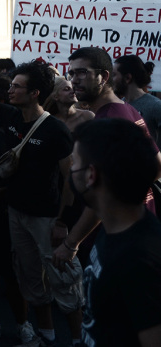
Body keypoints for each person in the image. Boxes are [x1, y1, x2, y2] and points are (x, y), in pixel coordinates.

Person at [0, 61, 81, 347]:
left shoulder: (55, 130)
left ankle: (78, 340)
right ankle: (47, 336)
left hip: (47, 218)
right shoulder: (10, 115)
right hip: (17, 214)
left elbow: (70, 180)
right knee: (32, 280)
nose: (10, 90)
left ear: (35, 93)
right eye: (10, 85)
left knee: (64, 282)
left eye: (16, 86)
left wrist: (62, 222)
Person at [53, 46, 161, 269]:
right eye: (71, 73)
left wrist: (71, 243)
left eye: (82, 72)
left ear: (103, 76)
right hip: (129, 231)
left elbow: (105, 192)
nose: (74, 80)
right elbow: (156, 164)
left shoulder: (109, 120)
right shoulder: (124, 109)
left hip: (118, 240)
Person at [71, 119, 161, 346]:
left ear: (91, 175)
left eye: (74, 162)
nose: (70, 169)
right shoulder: (116, 228)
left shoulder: (141, 260)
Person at [113, 55, 161, 147]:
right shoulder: (118, 106)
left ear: (127, 78)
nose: (111, 80)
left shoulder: (155, 106)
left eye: (114, 75)